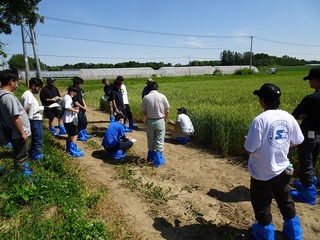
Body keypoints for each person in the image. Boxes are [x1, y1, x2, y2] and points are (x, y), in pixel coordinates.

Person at [244, 83, 304, 240]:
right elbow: (298, 140)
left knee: (262, 203)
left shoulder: (259, 120)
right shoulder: (288, 117)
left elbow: (250, 148)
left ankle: (265, 233)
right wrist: (282, 145)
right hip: (283, 169)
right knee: (285, 199)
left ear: (263, 100)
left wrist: (249, 141)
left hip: (262, 172)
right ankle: (294, 232)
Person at [290, 67, 320, 206]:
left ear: (316, 80)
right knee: (312, 160)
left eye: (310, 79)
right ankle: (308, 184)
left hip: (309, 135)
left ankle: (308, 194)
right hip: (319, 135)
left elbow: (295, 114)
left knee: (306, 162)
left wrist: (304, 116)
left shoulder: (311, 98)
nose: (309, 82)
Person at [0, 69, 32, 176]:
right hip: (18, 133)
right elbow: (15, 117)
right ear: (11, 82)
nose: (16, 84)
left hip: (15, 132)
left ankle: (22, 173)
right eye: (16, 81)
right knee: (20, 156)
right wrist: (23, 132)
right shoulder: (8, 97)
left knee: (20, 155)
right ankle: (21, 179)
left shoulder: (2, 95)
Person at [142, 81, 170, 168]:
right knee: (160, 140)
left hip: (150, 121)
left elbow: (143, 111)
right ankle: (158, 161)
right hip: (160, 120)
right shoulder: (162, 96)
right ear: (157, 88)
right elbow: (167, 110)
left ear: (149, 88)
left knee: (151, 140)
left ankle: (150, 158)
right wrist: (165, 118)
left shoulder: (146, 98)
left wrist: (149, 116)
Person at [21, 77, 45, 160]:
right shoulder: (28, 95)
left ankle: (34, 153)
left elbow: (33, 107)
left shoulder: (29, 95)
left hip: (36, 119)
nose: (38, 90)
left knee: (37, 138)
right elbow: (26, 108)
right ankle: (36, 156)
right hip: (34, 120)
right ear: (33, 86)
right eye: (38, 87)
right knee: (38, 139)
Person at [62, 86, 85, 157]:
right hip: (69, 120)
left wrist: (73, 108)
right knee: (75, 134)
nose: (75, 94)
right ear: (71, 92)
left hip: (67, 119)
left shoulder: (66, 97)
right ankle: (73, 150)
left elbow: (68, 107)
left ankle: (69, 149)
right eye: (75, 93)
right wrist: (75, 110)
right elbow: (66, 107)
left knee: (70, 134)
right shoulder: (68, 98)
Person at [72, 77, 92, 141]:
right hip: (78, 109)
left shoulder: (80, 90)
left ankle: (84, 133)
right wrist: (82, 107)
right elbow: (75, 102)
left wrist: (85, 105)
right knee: (79, 122)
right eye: (80, 84)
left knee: (84, 122)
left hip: (82, 108)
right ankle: (80, 135)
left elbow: (82, 98)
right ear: (76, 84)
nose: (81, 85)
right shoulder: (73, 91)